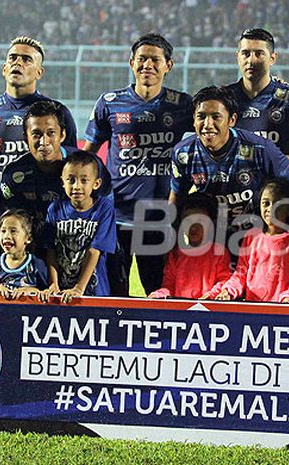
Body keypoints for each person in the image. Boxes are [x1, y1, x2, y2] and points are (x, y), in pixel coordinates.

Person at [83, 33, 193, 297]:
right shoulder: (109, 102)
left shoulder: (183, 105)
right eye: (142, 59)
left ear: (169, 65)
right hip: (116, 218)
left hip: (160, 219)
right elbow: (87, 156)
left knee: (162, 294)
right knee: (112, 294)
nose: (148, 65)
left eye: (155, 60)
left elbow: (216, 124)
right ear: (131, 63)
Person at [0, 36, 77, 291]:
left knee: (44, 300)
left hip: (48, 230)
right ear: (4, 68)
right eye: (12, 58)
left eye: (26, 59)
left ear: (39, 71)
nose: (18, 62)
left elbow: (70, 169)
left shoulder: (55, 114)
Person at [170, 86, 289, 254]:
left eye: (216, 117)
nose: (207, 124)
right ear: (193, 120)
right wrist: (174, 246)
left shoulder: (259, 148)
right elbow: (177, 199)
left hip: (255, 242)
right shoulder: (183, 153)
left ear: (232, 120)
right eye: (201, 117)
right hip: (214, 244)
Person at [0, 101, 111, 238]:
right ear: (25, 138)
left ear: (62, 135)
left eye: (51, 133)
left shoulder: (91, 167)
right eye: (36, 134)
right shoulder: (13, 175)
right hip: (35, 249)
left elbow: (105, 217)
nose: (44, 142)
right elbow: (12, 225)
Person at [216, 179, 289, 303]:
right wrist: (228, 291)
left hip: (283, 313)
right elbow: (241, 274)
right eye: (266, 203)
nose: (270, 209)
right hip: (253, 310)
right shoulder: (251, 237)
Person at [41, 152, 116, 303]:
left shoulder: (104, 208)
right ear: (62, 182)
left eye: (84, 180)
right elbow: (51, 250)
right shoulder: (55, 209)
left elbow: (95, 250)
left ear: (96, 183)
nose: (77, 186)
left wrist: (79, 288)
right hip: (63, 292)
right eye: (71, 180)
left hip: (94, 291)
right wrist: (53, 284)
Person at [225, 28, 289, 158]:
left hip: (276, 179)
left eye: (259, 54)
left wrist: (286, 165)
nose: (251, 61)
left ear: (272, 58)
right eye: (245, 53)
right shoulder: (222, 99)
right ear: (237, 57)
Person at [148, 192, 231, 300]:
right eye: (188, 221)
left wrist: (212, 295)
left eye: (200, 221)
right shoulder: (175, 254)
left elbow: (224, 280)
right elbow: (169, 286)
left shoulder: (219, 252)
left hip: (209, 309)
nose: (194, 227)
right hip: (182, 312)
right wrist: (159, 294)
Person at [0, 208, 48, 299]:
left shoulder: (36, 265)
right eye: (3, 231)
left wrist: (32, 291)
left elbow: (46, 292)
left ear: (28, 238)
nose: (6, 236)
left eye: (13, 231)